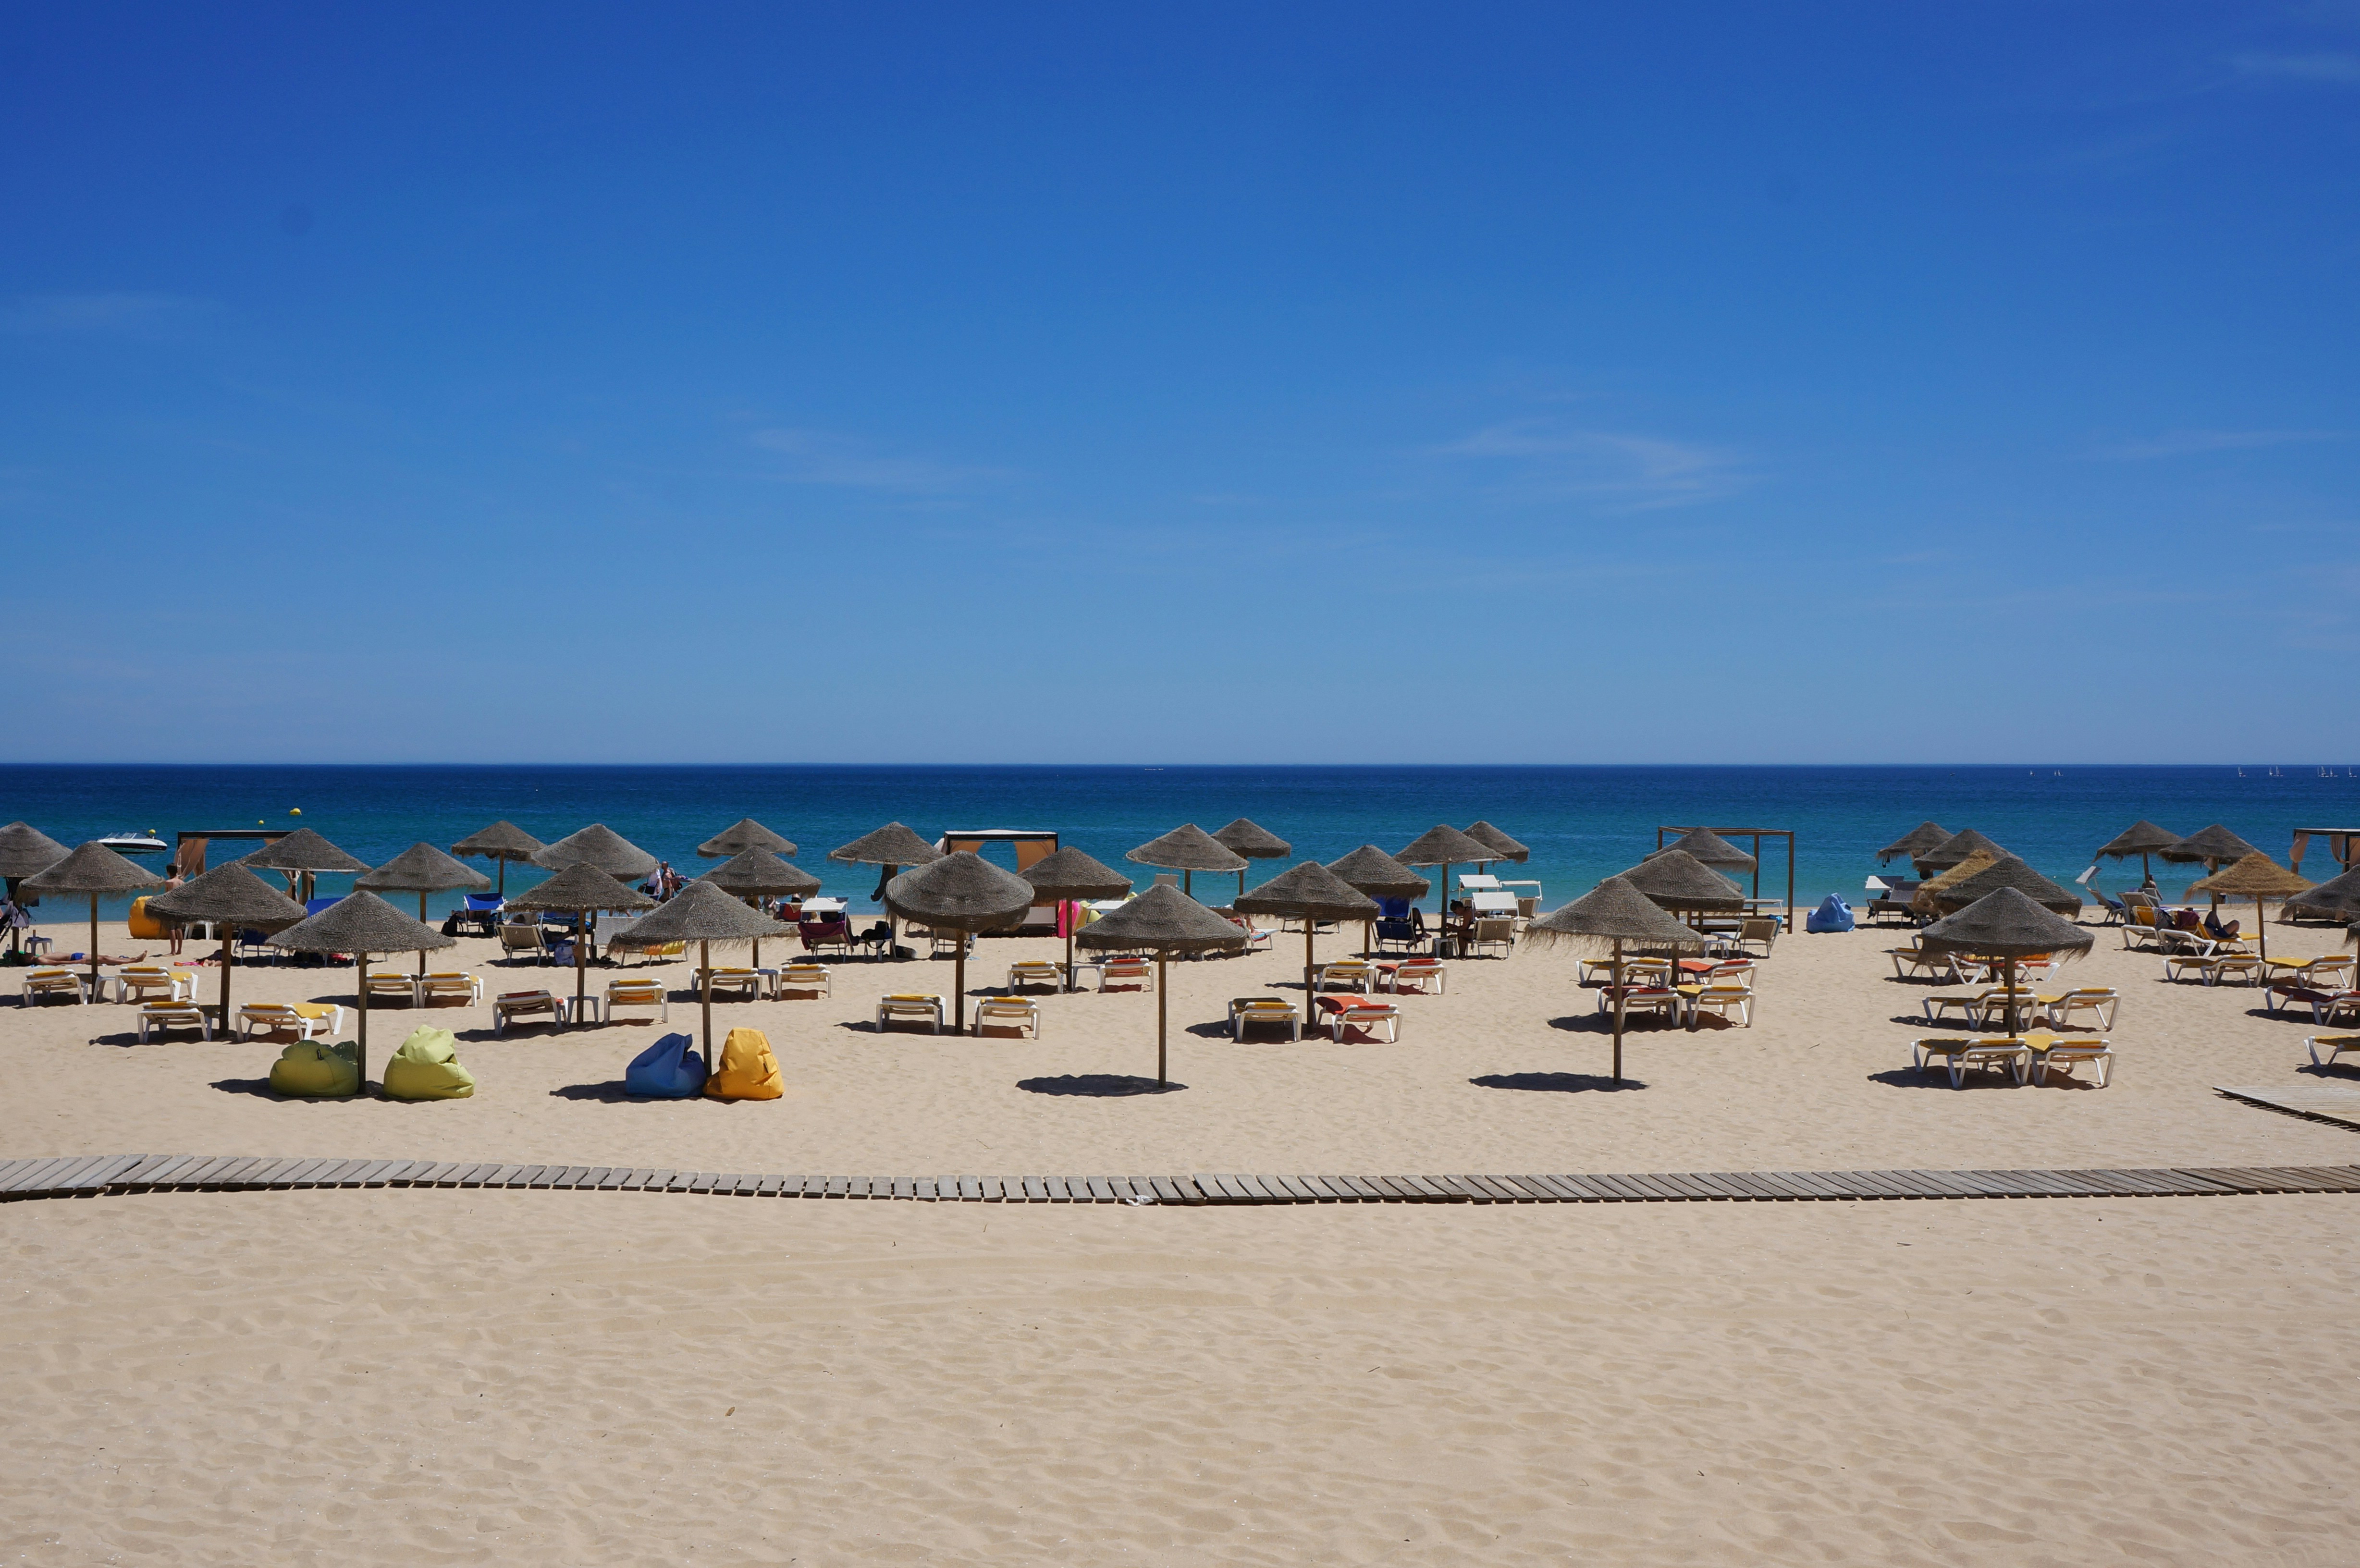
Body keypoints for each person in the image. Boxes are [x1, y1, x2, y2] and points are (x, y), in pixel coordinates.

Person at [161, 864, 186, 955]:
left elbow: (166, 896)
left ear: (168, 872)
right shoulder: (182, 883)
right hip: (180, 908)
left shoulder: (169, 882)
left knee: (171, 929)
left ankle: (173, 951)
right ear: (177, 872)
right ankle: (179, 950)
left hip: (171, 907)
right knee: (179, 929)